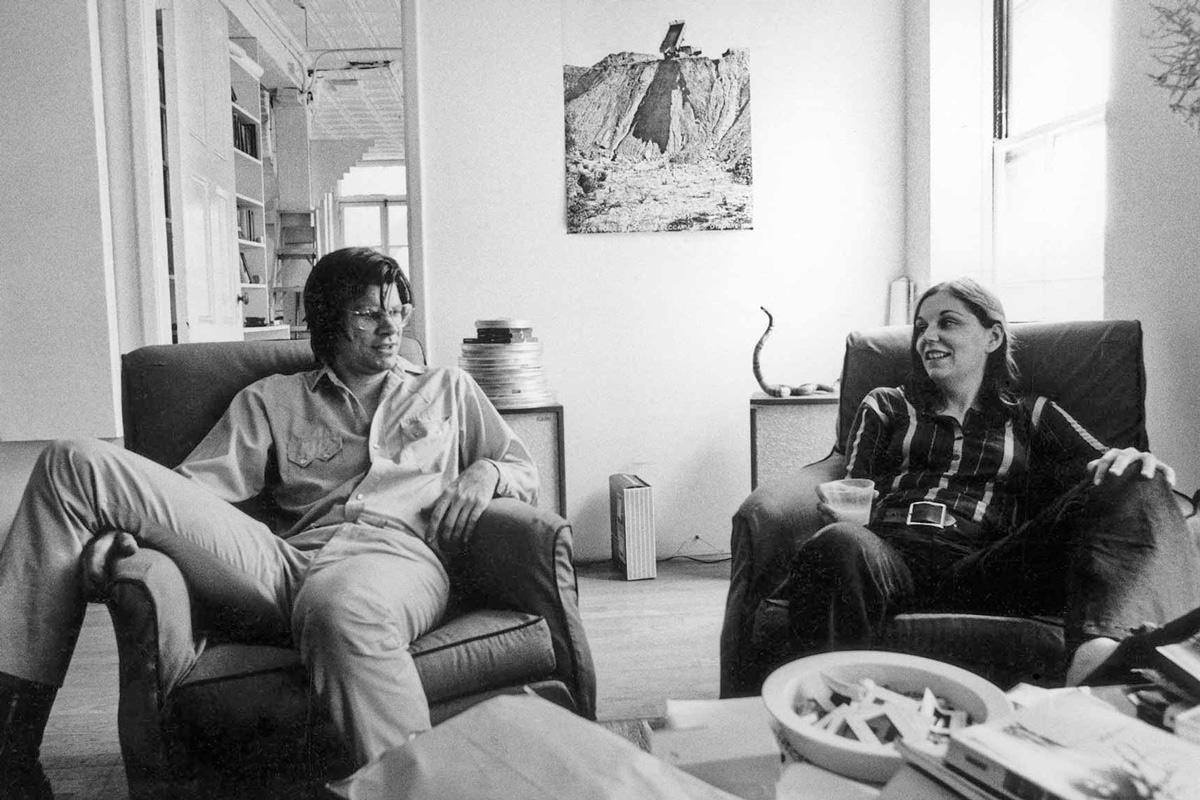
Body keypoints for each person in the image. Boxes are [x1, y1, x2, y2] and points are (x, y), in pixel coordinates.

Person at [0, 247, 538, 799]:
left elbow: (525, 471)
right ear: (330, 319)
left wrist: (489, 471)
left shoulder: (448, 389)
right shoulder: (272, 399)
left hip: (394, 560)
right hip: (282, 564)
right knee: (71, 460)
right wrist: (122, 530)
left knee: (342, 605)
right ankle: (10, 759)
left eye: (398, 311)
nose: (390, 328)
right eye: (369, 314)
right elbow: (190, 494)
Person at [782, 277, 1200, 679]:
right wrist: (842, 514)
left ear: (993, 337)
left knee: (1132, 474)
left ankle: (1101, 659)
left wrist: (1128, 463)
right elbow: (856, 489)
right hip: (890, 559)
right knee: (839, 541)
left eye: (948, 322)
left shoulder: (1031, 413)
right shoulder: (887, 405)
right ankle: (826, 703)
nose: (928, 337)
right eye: (921, 327)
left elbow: (1107, 467)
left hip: (983, 568)